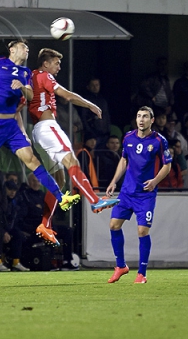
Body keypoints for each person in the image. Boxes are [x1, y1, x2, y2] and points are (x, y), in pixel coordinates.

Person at [0, 40, 80, 243]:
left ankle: (61, 196)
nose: (27, 49)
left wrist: (22, 87)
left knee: (32, 160)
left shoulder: (25, 73)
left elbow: (30, 95)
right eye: (23, 47)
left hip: (11, 126)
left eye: (28, 48)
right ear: (12, 50)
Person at [28, 48, 119, 245]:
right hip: (47, 127)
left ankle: (45, 224)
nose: (59, 67)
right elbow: (66, 95)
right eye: (56, 63)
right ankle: (95, 200)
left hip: (37, 133)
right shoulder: (44, 75)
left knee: (59, 181)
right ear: (45, 64)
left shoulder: (32, 76)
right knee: (72, 161)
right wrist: (90, 105)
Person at [105, 106, 172, 284]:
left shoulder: (159, 140)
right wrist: (113, 181)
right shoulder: (128, 137)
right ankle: (120, 266)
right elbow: (124, 160)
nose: (141, 119)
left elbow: (167, 165)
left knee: (142, 231)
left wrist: (155, 181)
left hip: (145, 194)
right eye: (139, 116)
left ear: (152, 120)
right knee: (113, 225)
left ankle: (141, 273)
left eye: (145, 117)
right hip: (127, 192)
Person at [82, 77, 111, 148]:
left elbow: (106, 117)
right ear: (88, 87)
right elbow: (83, 117)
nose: (95, 87)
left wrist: (108, 130)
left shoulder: (102, 100)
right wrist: (89, 133)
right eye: (93, 85)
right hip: (92, 135)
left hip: (104, 134)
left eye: (97, 85)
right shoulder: (85, 101)